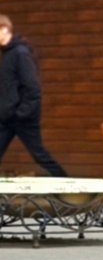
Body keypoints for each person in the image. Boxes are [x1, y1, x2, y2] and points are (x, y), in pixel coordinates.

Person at [0, 14, 67, 177]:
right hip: (6, 117)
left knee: (40, 155)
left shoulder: (20, 53)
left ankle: (69, 187)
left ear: (4, 29)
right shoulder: (7, 54)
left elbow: (33, 88)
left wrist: (21, 113)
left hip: (22, 117)